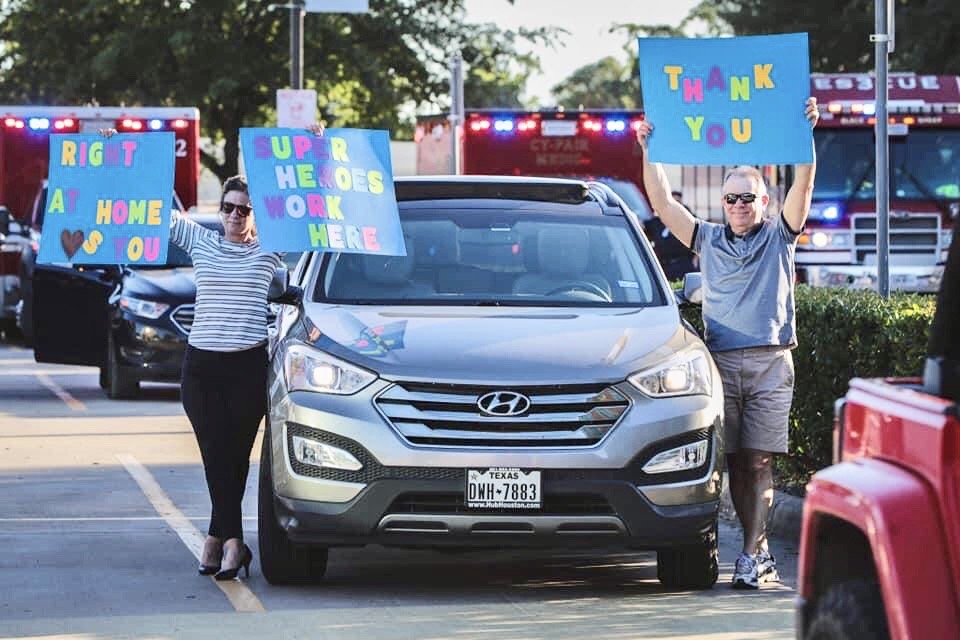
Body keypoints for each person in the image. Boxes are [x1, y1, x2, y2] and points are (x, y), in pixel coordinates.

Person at [636, 97, 819, 589]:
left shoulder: (782, 236)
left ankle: (755, 554)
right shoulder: (707, 238)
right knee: (732, 462)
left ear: (765, 201)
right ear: (724, 203)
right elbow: (662, 203)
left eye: (748, 198)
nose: (739, 206)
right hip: (719, 365)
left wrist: (805, 136)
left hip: (771, 363)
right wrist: (648, 149)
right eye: (731, 198)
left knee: (760, 459)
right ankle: (743, 549)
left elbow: (804, 184)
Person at [170, 125, 324, 580]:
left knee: (235, 456)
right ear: (219, 211)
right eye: (229, 208)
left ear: (257, 216)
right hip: (200, 367)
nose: (235, 215)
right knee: (214, 453)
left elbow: (313, 210)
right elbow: (152, 210)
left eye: (244, 209)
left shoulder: (269, 253)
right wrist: (117, 153)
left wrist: (311, 151)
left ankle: (219, 541)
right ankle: (233, 542)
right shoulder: (202, 243)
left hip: (245, 367)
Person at [645, 190, 699, 280]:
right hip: (664, 267)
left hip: (685, 266)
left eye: (678, 203)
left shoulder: (690, 220)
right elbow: (643, 227)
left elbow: (702, 236)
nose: (675, 206)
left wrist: (697, 257)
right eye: (672, 203)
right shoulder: (658, 221)